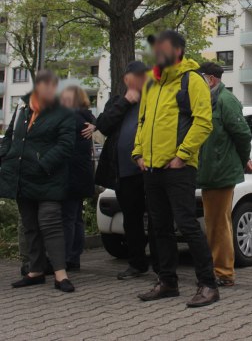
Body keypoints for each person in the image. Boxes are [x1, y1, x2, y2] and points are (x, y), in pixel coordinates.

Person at [132, 30, 219, 307]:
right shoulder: (151, 83)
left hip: (178, 167)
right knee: (159, 228)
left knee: (187, 225)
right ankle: (167, 282)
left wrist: (182, 155)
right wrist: (138, 153)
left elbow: (203, 122)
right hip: (152, 168)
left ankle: (208, 284)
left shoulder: (192, 80)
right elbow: (142, 122)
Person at [0, 70, 76, 292]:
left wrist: (43, 164)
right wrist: (5, 155)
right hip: (22, 177)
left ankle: (61, 275)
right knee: (30, 226)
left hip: (48, 178)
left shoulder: (63, 112)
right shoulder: (23, 108)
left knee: (50, 224)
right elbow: (10, 135)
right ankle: (35, 271)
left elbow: (66, 145)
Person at [92, 60, 158, 279]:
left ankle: (161, 266)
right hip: (125, 173)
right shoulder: (117, 102)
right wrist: (126, 101)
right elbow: (103, 126)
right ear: (126, 80)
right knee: (132, 219)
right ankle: (137, 263)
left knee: (157, 218)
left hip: (150, 170)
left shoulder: (155, 99)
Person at [197, 62, 252, 287]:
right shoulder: (210, 100)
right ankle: (219, 270)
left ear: (211, 79)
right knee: (215, 222)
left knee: (218, 224)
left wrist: (242, 160)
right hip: (212, 171)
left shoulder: (225, 100)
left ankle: (223, 273)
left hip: (221, 171)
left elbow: (243, 134)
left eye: (200, 78)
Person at [59, 86, 96, 272]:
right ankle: (74, 257)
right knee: (76, 217)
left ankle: (66, 258)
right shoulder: (86, 117)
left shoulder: (71, 117)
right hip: (82, 174)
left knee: (68, 217)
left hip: (71, 174)